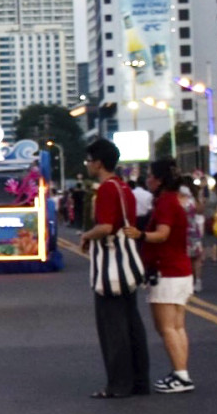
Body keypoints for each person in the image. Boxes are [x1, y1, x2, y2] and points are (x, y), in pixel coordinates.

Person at [80, 137, 150, 398]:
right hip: (128, 265)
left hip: (111, 270)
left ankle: (119, 383)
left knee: (113, 328)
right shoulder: (123, 187)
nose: (87, 165)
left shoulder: (107, 189)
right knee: (132, 324)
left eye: (89, 160)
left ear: (98, 163)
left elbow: (107, 227)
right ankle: (139, 380)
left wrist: (87, 235)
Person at [135, 159, 195, 392]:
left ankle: (180, 375)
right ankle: (181, 372)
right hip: (180, 269)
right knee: (178, 327)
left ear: (159, 179)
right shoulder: (172, 200)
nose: (147, 179)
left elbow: (162, 234)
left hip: (166, 270)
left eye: (150, 175)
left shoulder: (166, 203)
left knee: (166, 327)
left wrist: (139, 235)